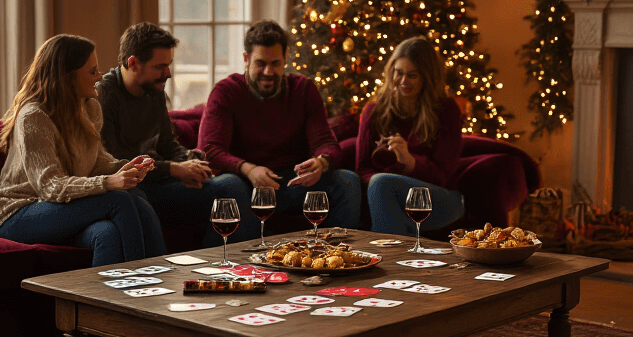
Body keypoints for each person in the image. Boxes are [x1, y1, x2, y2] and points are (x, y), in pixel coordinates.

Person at [0, 34, 165, 337]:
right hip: (20, 213)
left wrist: (125, 168)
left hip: (63, 209)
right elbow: (50, 186)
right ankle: (142, 327)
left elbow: (97, 163)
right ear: (67, 76)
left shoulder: (89, 108)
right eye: (93, 71)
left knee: (112, 227)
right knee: (119, 198)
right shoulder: (33, 116)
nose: (100, 77)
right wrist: (112, 184)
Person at [199, 20, 361, 241]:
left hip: (292, 183)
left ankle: (337, 259)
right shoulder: (226, 92)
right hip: (246, 185)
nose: (268, 71)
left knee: (347, 181)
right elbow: (209, 149)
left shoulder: (303, 90)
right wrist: (248, 169)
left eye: (275, 63)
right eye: (260, 63)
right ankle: (243, 267)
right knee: (232, 185)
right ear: (246, 59)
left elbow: (327, 144)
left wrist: (320, 163)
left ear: (285, 59)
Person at [97, 22, 246, 247]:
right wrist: (174, 169)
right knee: (227, 188)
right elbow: (114, 160)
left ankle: (219, 266)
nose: (168, 73)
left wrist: (189, 159)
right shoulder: (104, 95)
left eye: (168, 65)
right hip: (132, 190)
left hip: (158, 183)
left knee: (231, 185)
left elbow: (168, 145)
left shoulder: (153, 90)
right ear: (133, 63)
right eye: (160, 67)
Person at [356, 37, 466, 236]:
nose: (403, 82)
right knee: (381, 184)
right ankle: (401, 259)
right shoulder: (374, 111)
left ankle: (387, 259)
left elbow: (443, 175)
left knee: (382, 183)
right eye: (399, 73)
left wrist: (410, 162)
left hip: (441, 199)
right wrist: (390, 179)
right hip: (386, 194)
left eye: (412, 76)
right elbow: (362, 169)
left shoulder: (446, 110)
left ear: (427, 77)